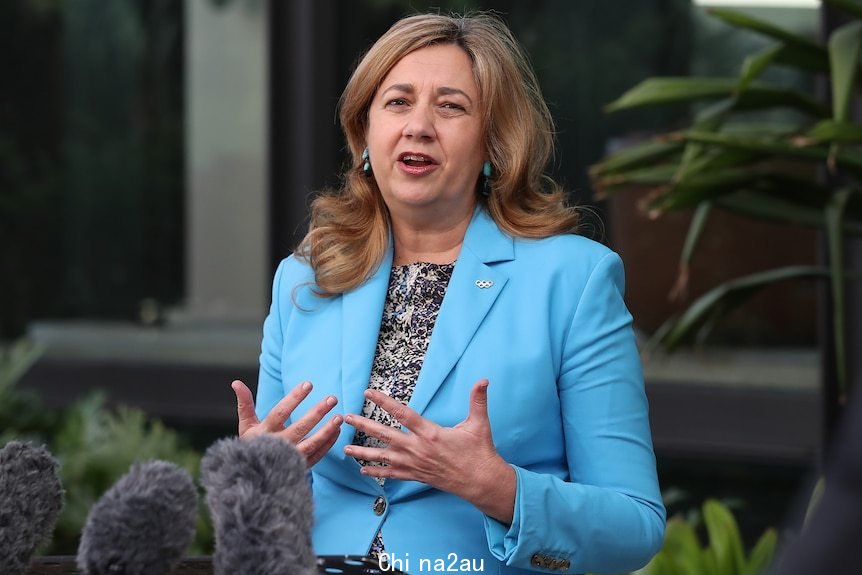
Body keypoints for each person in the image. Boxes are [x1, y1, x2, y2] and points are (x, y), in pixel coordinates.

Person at [231, 12, 665, 575]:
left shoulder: (574, 280)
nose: (418, 126)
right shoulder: (305, 278)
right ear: (365, 137)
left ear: (493, 145)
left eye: (451, 106)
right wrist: (255, 480)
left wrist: (498, 489)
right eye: (397, 102)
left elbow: (635, 525)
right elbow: (263, 516)